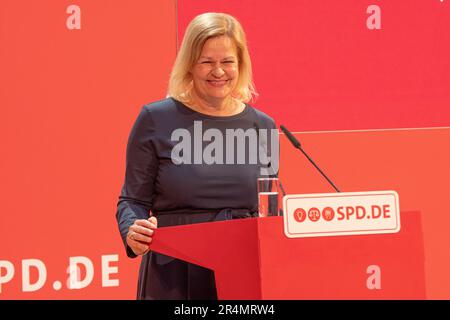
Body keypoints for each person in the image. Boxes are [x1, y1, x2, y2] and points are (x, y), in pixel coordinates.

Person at [116, 12, 278, 300]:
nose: (219, 72)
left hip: (243, 270)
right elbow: (132, 200)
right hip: (174, 271)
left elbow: (270, 206)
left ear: (240, 64)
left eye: (227, 62)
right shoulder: (155, 118)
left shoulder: (262, 125)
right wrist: (133, 230)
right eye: (207, 62)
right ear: (190, 64)